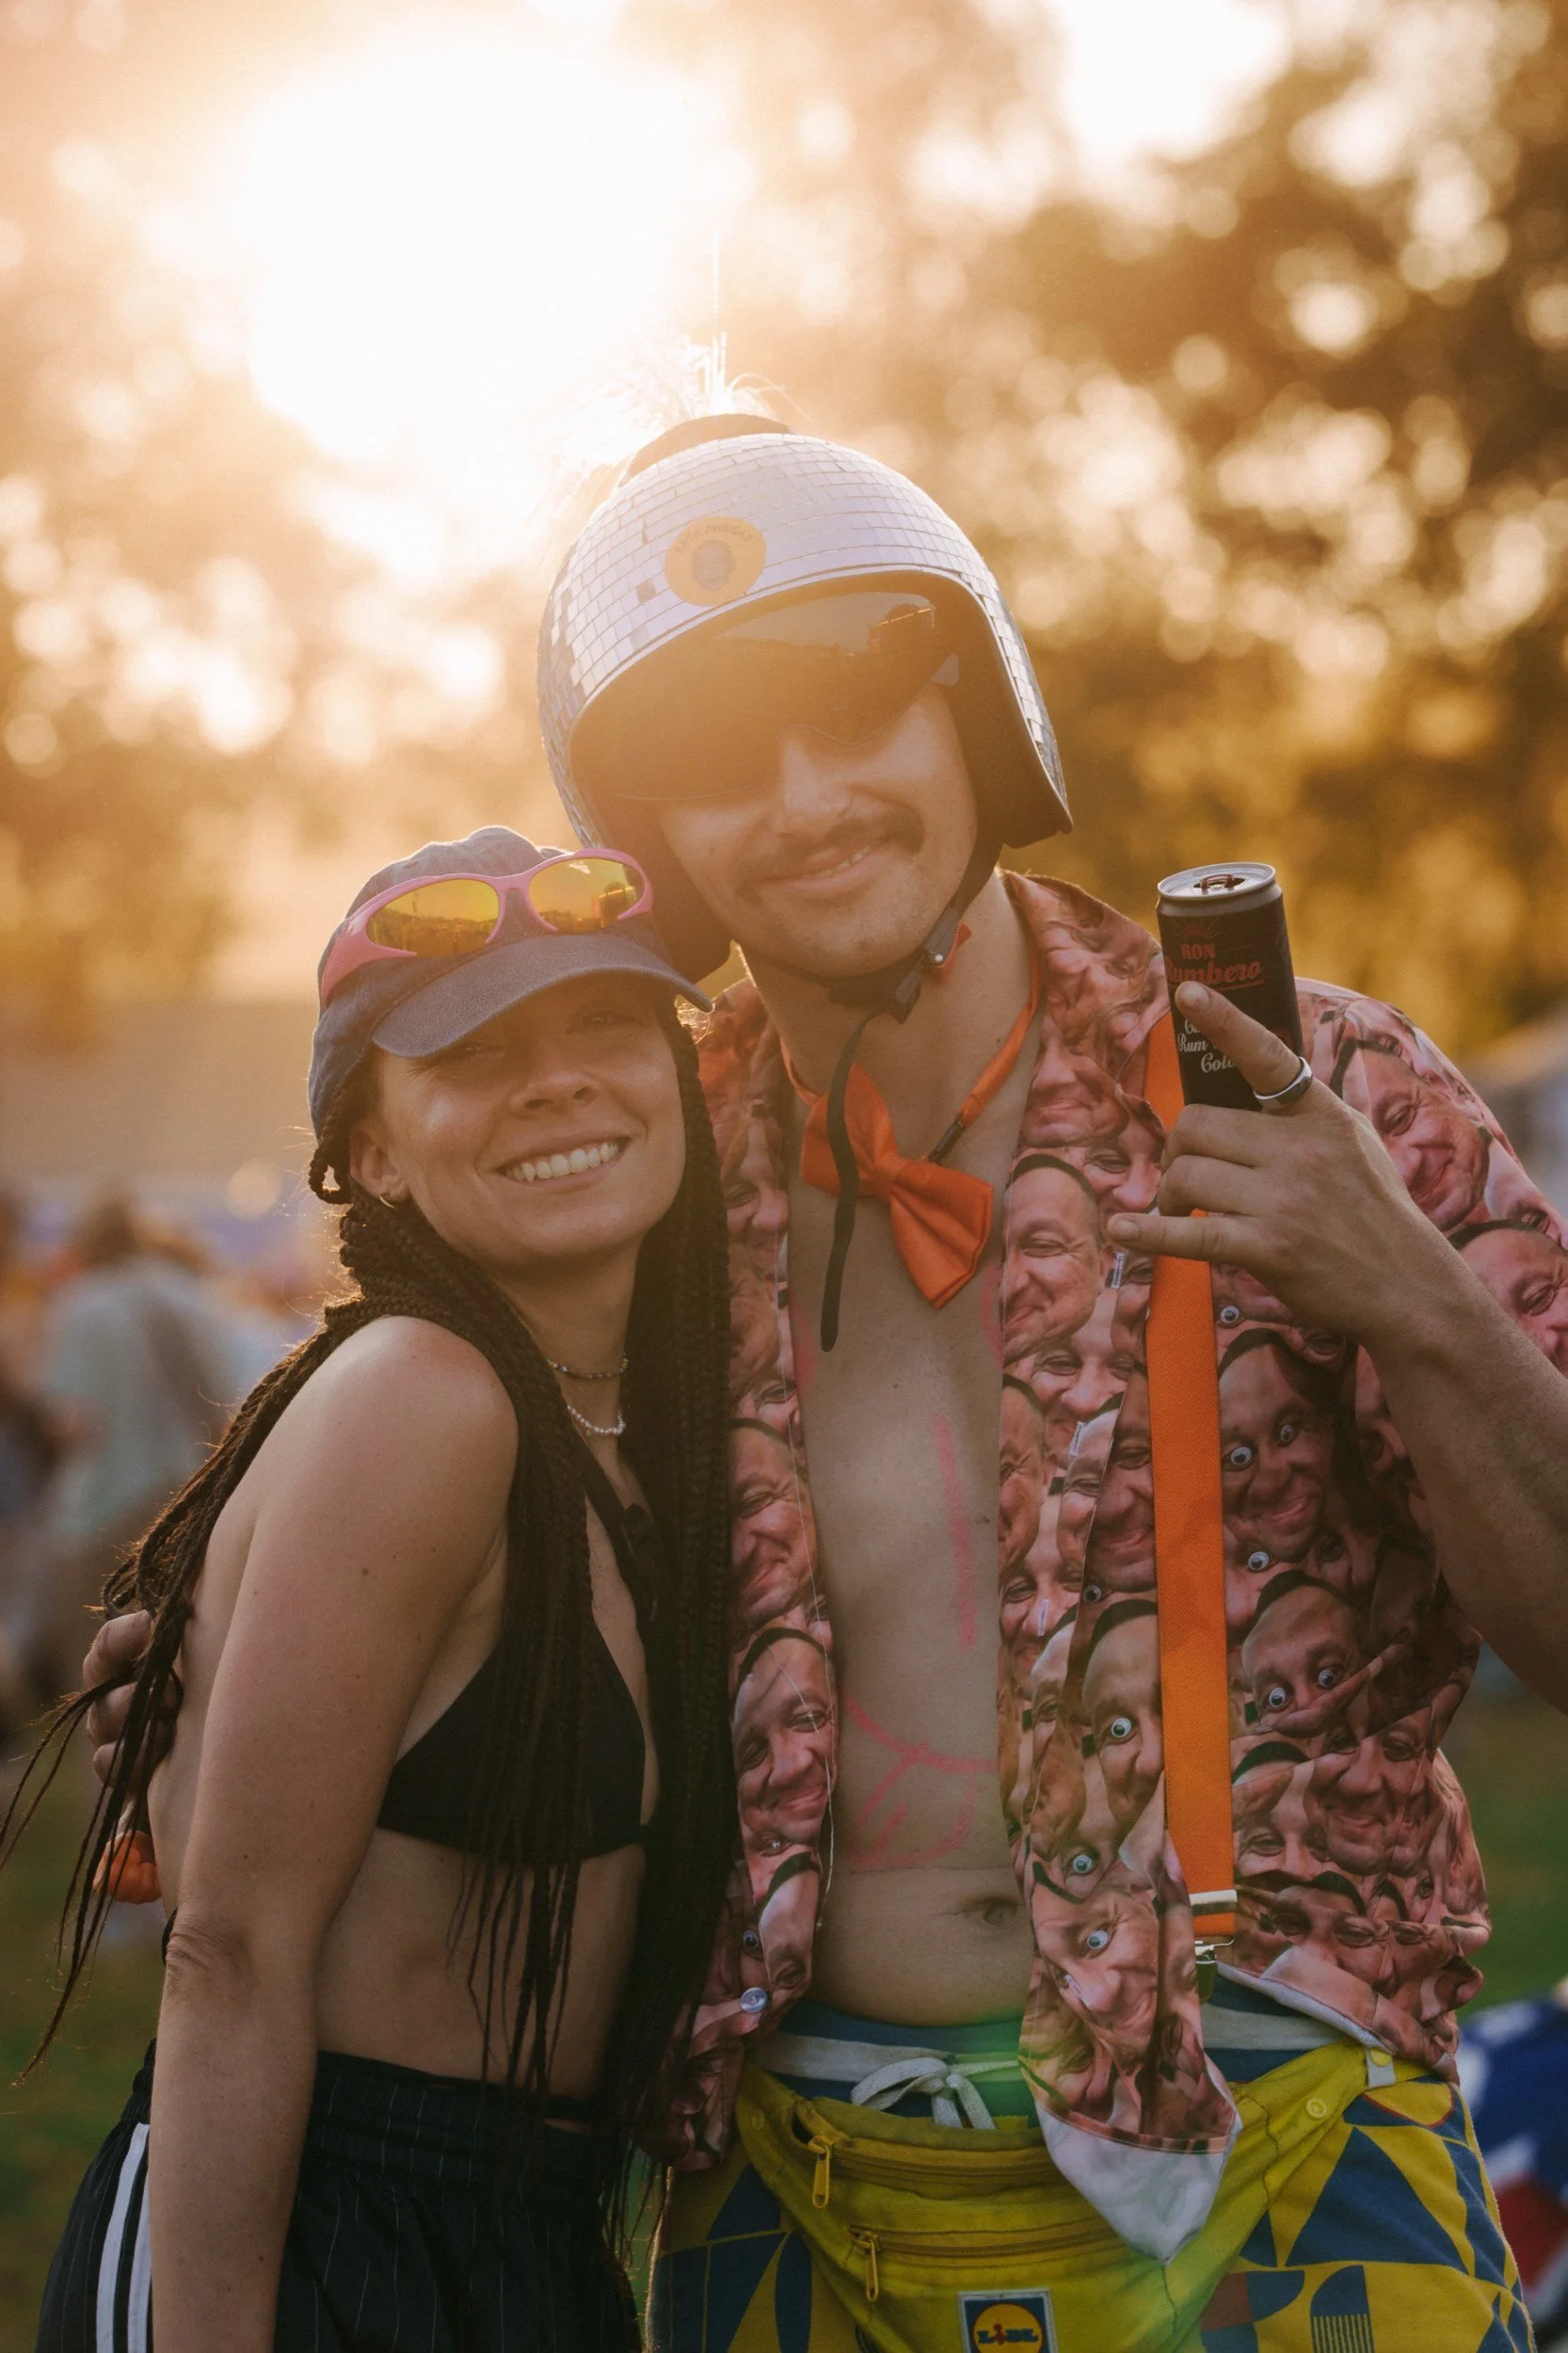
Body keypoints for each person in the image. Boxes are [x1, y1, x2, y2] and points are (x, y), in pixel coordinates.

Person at [95, 423, 1566, 2345]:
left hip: (1278, 2157)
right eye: (719, 764)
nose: (804, 801)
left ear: (976, 720)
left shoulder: (1306, 1082)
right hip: (792, 2208)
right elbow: (417, 1520)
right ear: (656, 840)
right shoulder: (642, 1177)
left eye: (858, 718)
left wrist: (1408, 1295)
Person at [18, 827, 736, 2351]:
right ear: (374, 1153)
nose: (557, 1081)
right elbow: (232, 1952)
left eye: (606, 1027)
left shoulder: (631, 1434)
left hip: (519, 2237)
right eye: (474, 1052)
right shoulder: (427, 1395)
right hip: (312, 2230)